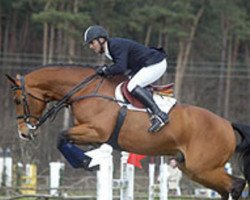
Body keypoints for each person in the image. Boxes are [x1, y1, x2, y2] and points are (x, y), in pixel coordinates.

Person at [83, 25, 169, 133]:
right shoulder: (109, 49)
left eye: (92, 43)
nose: (91, 46)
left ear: (101, 39)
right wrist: (107, 70)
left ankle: (159, 115)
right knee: (128, 83)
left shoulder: (114, 45)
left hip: (155, 64)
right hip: (145, 65)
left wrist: (106, 70)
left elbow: (120, 67)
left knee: (131, 86)